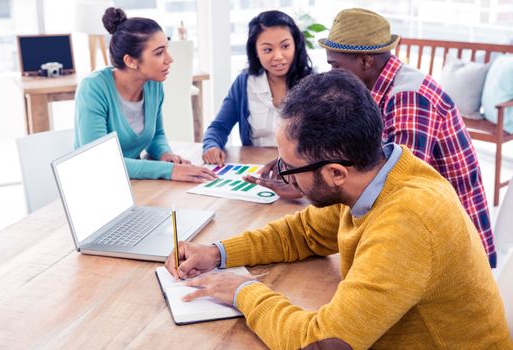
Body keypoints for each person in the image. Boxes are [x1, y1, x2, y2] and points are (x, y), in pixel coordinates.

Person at [165, 70, 512, 349]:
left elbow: (322, 343)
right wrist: (217, 252)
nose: (282, 175)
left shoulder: (407, 221)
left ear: (335, 174)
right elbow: (303, 232)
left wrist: (242, 292)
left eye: (289, 167)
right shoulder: (375, 175)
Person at [247, 8, 496, 267]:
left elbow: (394, 188)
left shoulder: (408, 98)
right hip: (422, 229)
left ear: (365, 61)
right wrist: (295, 166)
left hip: (456, 251)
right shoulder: (377, 88)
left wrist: (307, 182)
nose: (332, 74)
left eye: (336, 66)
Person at [74, 7, 216, 183]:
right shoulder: (93, 88)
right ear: (131, 61)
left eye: (167, 48)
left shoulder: (153, 86)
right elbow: (101, 162)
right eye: (159, 52)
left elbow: (156, 135)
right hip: (94, 185)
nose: (169, 58)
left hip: (133, 183)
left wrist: (165, 153)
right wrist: (169, 170)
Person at [202, 10, 312, 166]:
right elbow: (219, 127)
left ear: (296, 44)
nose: (278, 56)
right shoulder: (244, 83)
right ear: (256, 51)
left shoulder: (314, 84)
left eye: (285, 46)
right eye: (268, 49)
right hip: (257, 166)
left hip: (299, 170)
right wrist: (211, 146)